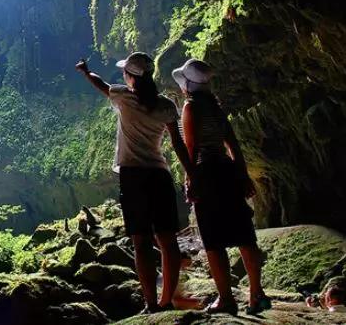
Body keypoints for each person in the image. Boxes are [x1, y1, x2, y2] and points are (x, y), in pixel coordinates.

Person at [76, 53, 193, 313]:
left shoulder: (123, 97)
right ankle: (167, 300)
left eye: (125, 72)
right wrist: (191, 174)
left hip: (133, 177)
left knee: (141, 242)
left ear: (130, 76)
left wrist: (85, 72)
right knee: (168, 241)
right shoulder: (166, 105)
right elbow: (177, 143)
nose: (123, 76)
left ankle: (151, 303)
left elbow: (101, 84)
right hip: (159, 175)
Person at [173, 58, 270, 316]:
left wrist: (190, 179)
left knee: (213, 240)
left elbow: (192, 148)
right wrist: (243, 176)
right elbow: (233, 144)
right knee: (244, 234)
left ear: (188, 85)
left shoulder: (190, 107)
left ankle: (226, 299)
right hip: (227, 172)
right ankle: (257, 293)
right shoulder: (216, 108)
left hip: (207, 174)